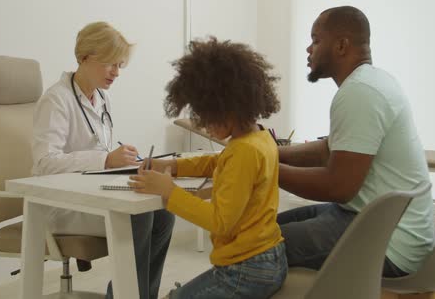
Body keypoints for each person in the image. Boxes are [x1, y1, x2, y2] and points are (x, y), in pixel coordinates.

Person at [277, 6, 435, 277]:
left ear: (341, 46)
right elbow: (328, 151)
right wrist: (274, 153)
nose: (308, 49)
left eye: (315, 40)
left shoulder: (359, 92)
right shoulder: (373, 82)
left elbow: (339, 187)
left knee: (254, 246)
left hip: (389, 243)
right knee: (268, 226)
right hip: (377, 221)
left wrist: (264, 168)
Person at [129, 37, 288, 298]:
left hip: (246, 269)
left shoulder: (244, 151)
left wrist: (170, 192)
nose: (204, 126)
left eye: (207, 117)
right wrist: (172, 165)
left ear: (227, 108)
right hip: (265, 259)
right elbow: (216, 161)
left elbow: (220, 221)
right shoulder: (258, 138)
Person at [31, 21, 175, 299]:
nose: (117, 73)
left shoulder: (103, 98)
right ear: (84, 57)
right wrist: (105, 160)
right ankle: (124, 295)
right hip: (61, 203)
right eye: (111, 64)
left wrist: (125, 161)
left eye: (120, 65)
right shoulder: (56, 100)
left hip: (93, 194)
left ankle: (141, 295)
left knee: (165, 210)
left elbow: (100, 151)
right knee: (140, 214)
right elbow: (44, 164)